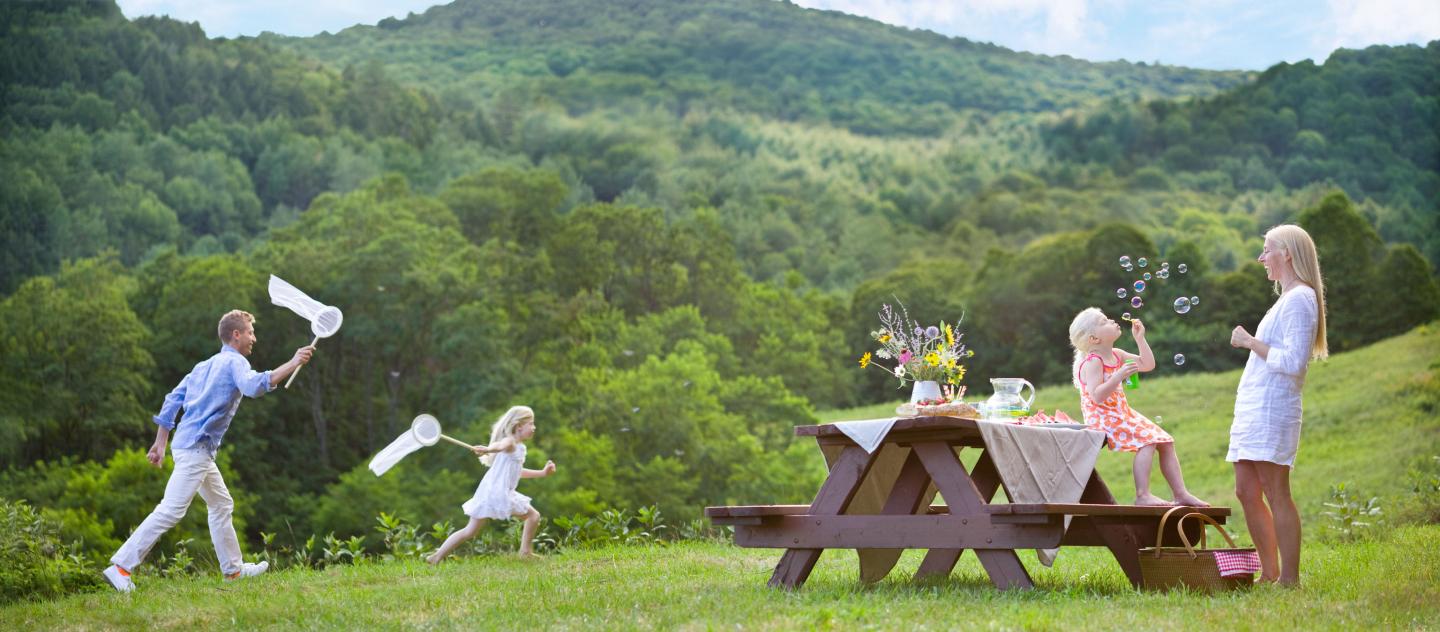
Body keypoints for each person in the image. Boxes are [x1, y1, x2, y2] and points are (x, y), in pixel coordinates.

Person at [103, 310, 314, 593]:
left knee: (221, 505)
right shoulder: (235, 362)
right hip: (196, 450)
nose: (255, 338)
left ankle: (233, 571)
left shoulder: (204, 366)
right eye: (251, 332)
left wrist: (161, 442)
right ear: (236, 335)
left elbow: (172, 399)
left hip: (188, 447)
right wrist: (294, 361)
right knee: (170, 510)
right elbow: (253, 387)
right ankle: (120, 567)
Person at [1229, 224, 1327, 586]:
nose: (1261, 258)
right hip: (1255, 408)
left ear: (1286, 253)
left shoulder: (1301, 298)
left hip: (1273, 408)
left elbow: (1294, 362)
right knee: (1245, 490)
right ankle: (1269, 572)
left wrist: (1251, 342)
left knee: (1275, 490)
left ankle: (1289, 578)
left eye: (1266, 250)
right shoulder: (1286, 299)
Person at [1069, 308, 1208, 507]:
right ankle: (1143, 495)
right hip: (1102, 418)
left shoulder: (1117, 355)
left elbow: (1147, 364)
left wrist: (1140, 339)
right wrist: (1118, 376)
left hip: (1121, 413)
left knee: (1166, 441)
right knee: (1148, 441)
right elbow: (1097, 396)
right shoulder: (1093, 362)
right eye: (1104, 321)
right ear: (1094, 339)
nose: (1112, 321)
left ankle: (1181, 494)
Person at [427, 406, 556, 563]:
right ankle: (525, 552)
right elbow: (500, 445)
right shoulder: (510, 442)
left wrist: (543, 473)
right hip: (498, 492)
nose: (534, 428)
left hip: (492, 492)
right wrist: (488, 449)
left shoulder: (520, 447)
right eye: (531, 423)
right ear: (519, 425)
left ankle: (436, 556)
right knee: (533, 516)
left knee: (470, 531)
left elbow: (518, 471)